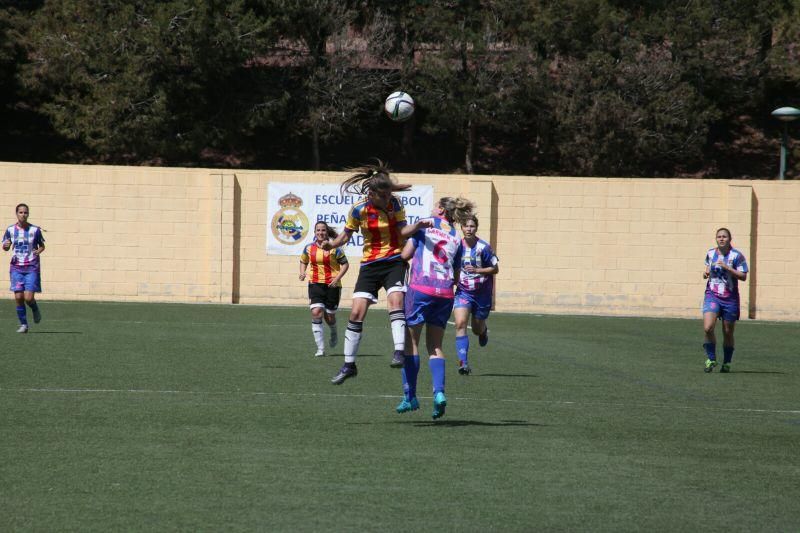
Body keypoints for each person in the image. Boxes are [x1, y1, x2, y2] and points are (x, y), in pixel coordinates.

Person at [322, 161, 423, 385]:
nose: (387, 199)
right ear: (372, 193)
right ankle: (349, 365)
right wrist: (331, 245)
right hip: (369, 264)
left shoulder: (394, 204)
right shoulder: (358, 209)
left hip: (394, 260)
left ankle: (399, 352)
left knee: (395, 300)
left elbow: (403, 230)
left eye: (389, 194)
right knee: (356, 313)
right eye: (383, 195)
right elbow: (345, 237)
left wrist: (417, 226)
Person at [396, 197, 474, 419]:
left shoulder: (425, 225)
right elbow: (457, 274)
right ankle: (439, 393)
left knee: (411, 344)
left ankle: (409, 395)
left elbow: (405, 255)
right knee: (435, 346)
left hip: (421, 288)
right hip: (445, 293)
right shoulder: (455, 237)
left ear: (440, 209)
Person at [453, 214, 499, 375]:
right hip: (463, 292)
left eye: (472, 226)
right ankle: (463, 363)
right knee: (460, 324)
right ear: (462, 228)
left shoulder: (483, 247)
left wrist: (478, 270)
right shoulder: (456, 246)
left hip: (482, 293)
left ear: (476, 228)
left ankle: (483, 330)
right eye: (466, 226)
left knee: (476, 328)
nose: (469, 229)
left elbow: (495, 268)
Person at [299, 221, 349, 357]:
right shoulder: (309, 248)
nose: (320, 233)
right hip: (315, 284)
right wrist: (302, 272)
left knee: (330, 316)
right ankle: (320, 349)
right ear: (315, 232)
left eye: (323, 230)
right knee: (316, 312)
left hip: (332, 285)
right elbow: (303, 261)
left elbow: (345, 264)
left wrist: (337, 278)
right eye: (318, 230)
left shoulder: (335, 248)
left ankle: (333, 331)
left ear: (327, 232)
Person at [702, 227, 748, 373]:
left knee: (728, 332)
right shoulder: (710, 253)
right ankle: (711, 358)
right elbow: (707, 269)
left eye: (724, 237)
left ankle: (727, 362)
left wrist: (728, 268)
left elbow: (743, 276)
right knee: (708, 327)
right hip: (712, 295)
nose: (721, 239)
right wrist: (705, 273)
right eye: (719, 236)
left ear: (730, 239)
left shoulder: (737, 256)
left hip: (730, 298)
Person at [2, 203, 46, 333]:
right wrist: (6, 245)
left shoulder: (34, 230)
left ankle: (34, 308)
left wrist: (38, 251)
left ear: (28, 214)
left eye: (25, 212)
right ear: (16, 214)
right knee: (18, 297)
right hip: (16, 267)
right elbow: (5, 247)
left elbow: (42, 246)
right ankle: (24, 325)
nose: (23, 214)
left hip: (31, 267)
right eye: (20, 212)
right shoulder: (10, 230)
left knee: (28, 297)